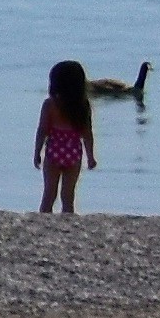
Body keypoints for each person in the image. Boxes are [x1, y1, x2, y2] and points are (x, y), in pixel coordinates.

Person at [40, 61, 98, 215]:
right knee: (68, 195)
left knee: (49, 194)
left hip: (54, 151)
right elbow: (87, 133)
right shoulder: (83, 105)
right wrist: (91, 157)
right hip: (73, 152)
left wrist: (37, 152)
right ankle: (68, 221)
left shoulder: (50, 105)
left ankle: (43, 219)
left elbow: (42, 131)